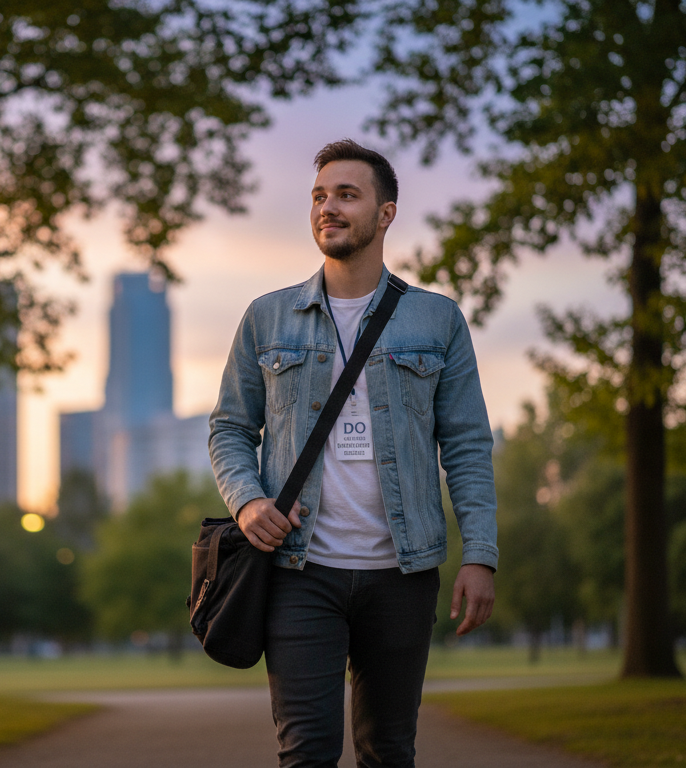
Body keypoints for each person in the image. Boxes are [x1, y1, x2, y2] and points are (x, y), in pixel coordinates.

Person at [208, 139, 498, 768]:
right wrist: (247, 502)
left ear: (386, 213)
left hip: (404, 571)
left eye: (346, 195)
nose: (328, 208)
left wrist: (480, 553)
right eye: (319, 196)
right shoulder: (267, 317)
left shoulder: (436, 320)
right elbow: (229, 428)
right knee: (307, 752)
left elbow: (469, 445)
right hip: (297, 571)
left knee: (388, 750)